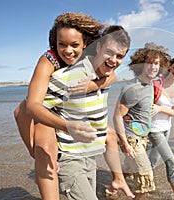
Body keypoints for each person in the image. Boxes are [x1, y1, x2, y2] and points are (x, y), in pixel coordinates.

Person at [14, 12, 133, 199]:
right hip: (66, 149)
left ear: (86, 44)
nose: (68, 50)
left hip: (88, 156)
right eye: (62, 44)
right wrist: (32, 148)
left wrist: (95, 84)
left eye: (120, 56)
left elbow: (111, 75)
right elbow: (24, 109)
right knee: (44, 147)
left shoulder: (101, 69)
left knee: (108, 132)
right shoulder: (53, 65)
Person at [113, 42, 171, 199]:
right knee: (146, 178)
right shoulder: (133, 88)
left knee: (130, 171)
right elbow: (117, 116)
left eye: (157, 63)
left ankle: (112, 189)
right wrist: (124, 143)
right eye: (149, 63)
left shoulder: (150, 84)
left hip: (142, 137)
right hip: (132, 139)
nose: (153, 67)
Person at [147, 56, 174, 200]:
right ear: (169, 67)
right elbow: (143, 105)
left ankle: (142, 183)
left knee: (153, 159)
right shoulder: (156, 83)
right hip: (153, 129)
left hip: (167, 127)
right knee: (170, 160)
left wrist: (160, 108)